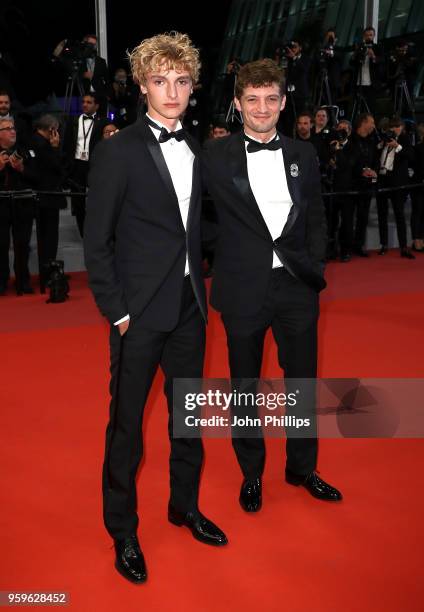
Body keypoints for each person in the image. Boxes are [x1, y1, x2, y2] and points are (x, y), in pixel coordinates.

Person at [84, 31, 227, 586]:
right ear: (143, 85)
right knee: (126, 428)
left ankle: (183, 506)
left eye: (182, 81)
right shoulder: (117, 152)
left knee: (187, 419)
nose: (172, 91)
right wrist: (117, 312)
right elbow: (97, 243)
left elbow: (197, 228)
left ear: (193, 87)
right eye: (161, 80)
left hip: (191, 309)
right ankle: (122, 530)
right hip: (138, 315)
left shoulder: (199, 150)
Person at [202, 58, 342, 515]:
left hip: (297, 287)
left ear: (283, 104)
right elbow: (190, 216)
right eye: (252, 100)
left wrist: (314, 267)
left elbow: (317, 215)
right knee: (245, 386)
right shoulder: (213, 158)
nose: (261, 108)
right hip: (243, 287)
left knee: (302, 383)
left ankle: (302, 468)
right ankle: (252, 473)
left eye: (270, 100)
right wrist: (221, 251)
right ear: (238, 105)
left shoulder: (303, 154)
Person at [0, 117, 36, 295]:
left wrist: (22, 169)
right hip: (1, 206)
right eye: (7, 129)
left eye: (13, 128)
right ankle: (2, 280)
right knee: (1, 244)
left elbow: (37, 176)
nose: (12, 131)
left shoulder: (24, 151)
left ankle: (23, 281)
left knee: (22, 244)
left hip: (22, 204)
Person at [30, 114, 67, 286]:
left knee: (49, 238)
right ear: (51, 129)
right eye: (56, 129)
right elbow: (56, 167)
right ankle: (48, 275)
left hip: (47, 196)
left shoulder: (36, 141)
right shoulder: (42, 144)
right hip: (47, 196)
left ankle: (50, 272)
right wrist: (55, 147)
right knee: (49, 238)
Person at [63, 93, 103, 237]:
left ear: (96, 105)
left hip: (94, 166)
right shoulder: (73, 121)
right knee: (78, 201)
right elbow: (67, 144)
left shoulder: (101, 122)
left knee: (97, 199)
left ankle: (97, 230)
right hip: (77, 165)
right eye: (84, 102)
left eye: (89, 102)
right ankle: (83, 233)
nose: (85, 104)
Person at [376, 116, 415, 258]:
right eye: (393, 127)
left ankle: (404, 247)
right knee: (382, 214)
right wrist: (381, 145)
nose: (395, 129)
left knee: (399, 215)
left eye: (398, 127)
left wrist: (397, 146)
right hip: (382, 180)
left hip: (397, 183)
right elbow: (376, 155)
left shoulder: (405, 140)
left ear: (402, 128)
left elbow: (411, 156)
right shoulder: (384, 138)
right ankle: (384, 245)